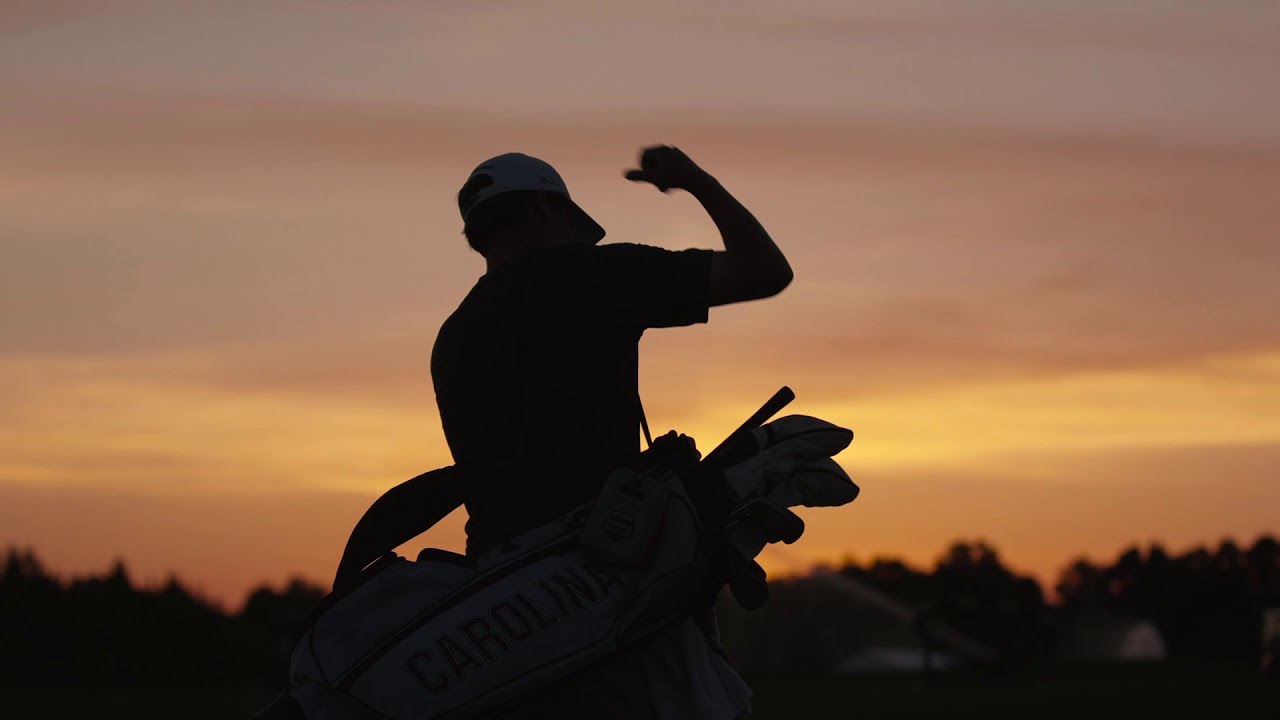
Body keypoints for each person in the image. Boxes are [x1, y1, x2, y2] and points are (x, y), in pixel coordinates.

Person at [430, 146, 792, 718]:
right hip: (609, 581)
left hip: (505, 606)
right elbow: (768, 271)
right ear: (548, 211)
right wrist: (695, 180)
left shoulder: (453, 338)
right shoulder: (597, 273)